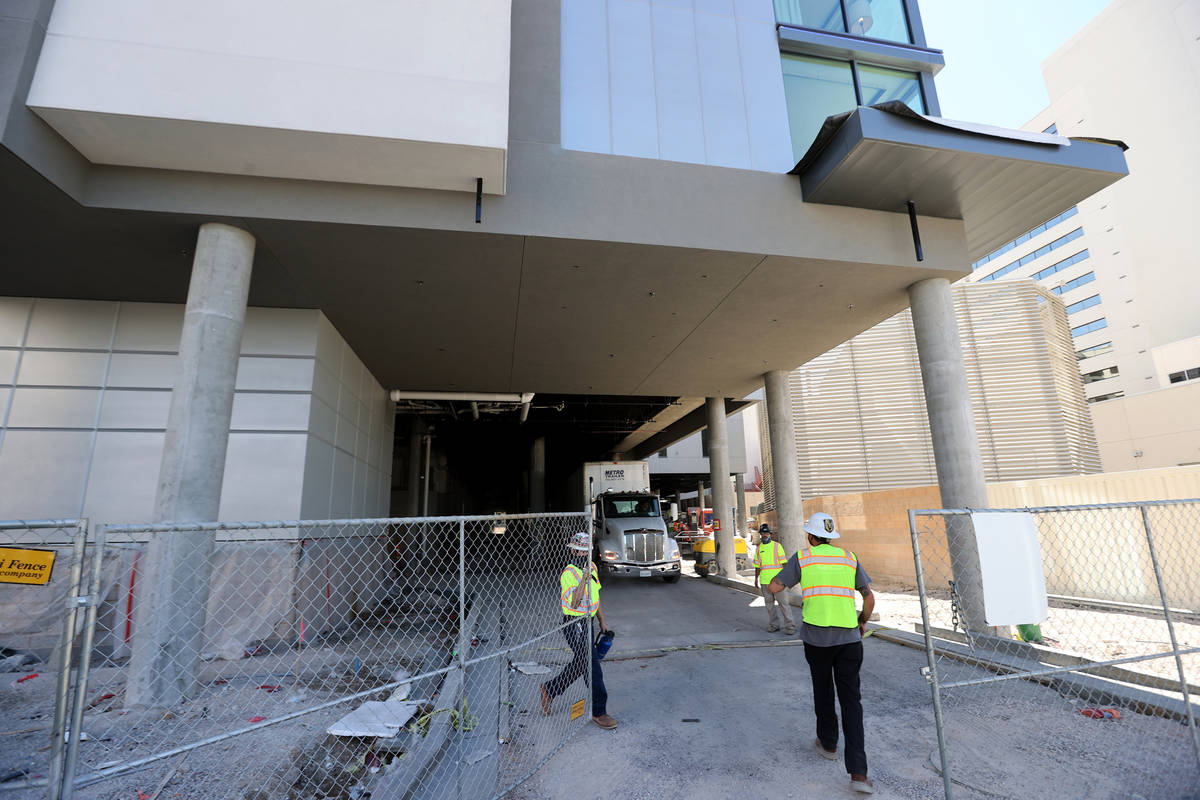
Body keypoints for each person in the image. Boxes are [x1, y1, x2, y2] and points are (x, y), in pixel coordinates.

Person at [769, 512, 876, 795]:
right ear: (831, 536)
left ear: (810, 536)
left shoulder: (803, 558)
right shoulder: (849, 557)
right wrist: (862, 620)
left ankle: (828, 745)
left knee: (823, 690)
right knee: (852, 701)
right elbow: (868, 596)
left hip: (817, 640)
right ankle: (859, 774)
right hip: (849, 640)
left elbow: (774, 586)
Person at [540, 531, 617, 729]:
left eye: (586, 551)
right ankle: (599, 711)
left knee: (583, 663)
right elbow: (574, 603)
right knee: (592, 667)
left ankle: (550, 689)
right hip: (574, 623)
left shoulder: (592, 567)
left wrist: (602, 620)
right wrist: (583, 578)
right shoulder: (569, 574)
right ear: (572, 550)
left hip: (588, 622)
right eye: (579, 551)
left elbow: (596, 595)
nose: (582, 554)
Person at [752, 523, 794, 635]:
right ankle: (774, 625)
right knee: (770, 606)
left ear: (769, 534)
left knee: (784, 604)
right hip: (765, 582)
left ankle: (790, 627)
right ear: (760, 534)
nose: (765, 535)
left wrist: (785, 579)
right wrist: (756, 579)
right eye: (763, 533)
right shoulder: (759, 548)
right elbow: (757, 566)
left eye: (766, 533)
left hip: (778, 582)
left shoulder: (777, 546)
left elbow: (784, 564)